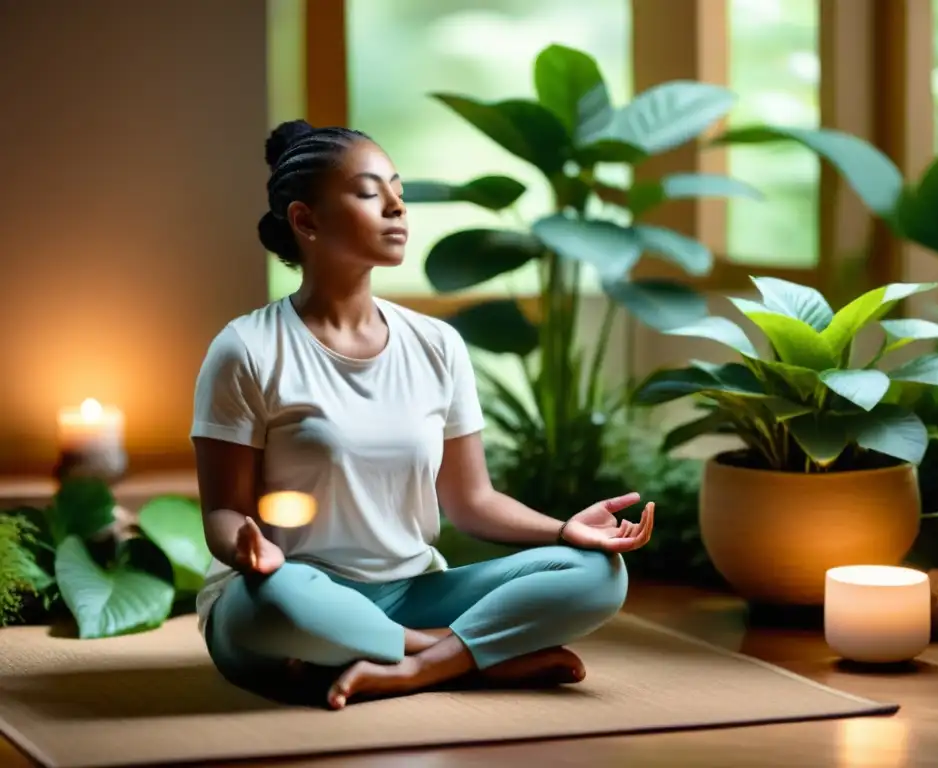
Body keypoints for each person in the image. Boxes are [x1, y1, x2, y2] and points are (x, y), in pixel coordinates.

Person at [191, 120, 656, 710]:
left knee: (596, 573)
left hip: (414, 590)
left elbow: (471, 502)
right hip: (297, 594)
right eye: (369, 194)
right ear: (306, 221)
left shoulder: (437, 344)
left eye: (399, 192)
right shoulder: (247, 349)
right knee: (274, 605)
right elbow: (223, 514)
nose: (396, 208)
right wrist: (250, 552)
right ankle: (459, 657)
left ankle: (408, 665)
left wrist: (566, 530)